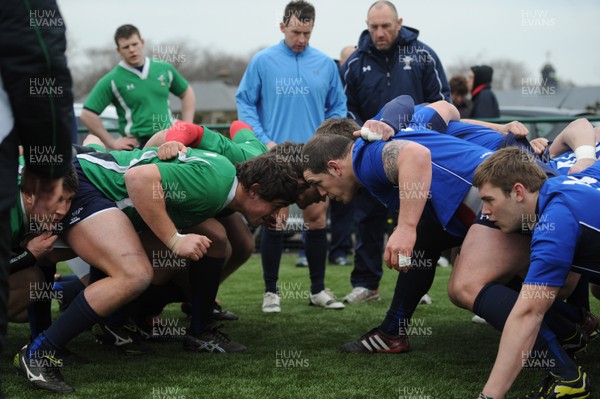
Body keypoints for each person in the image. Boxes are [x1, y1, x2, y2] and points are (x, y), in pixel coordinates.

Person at [236, 0, 347, 313]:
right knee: (276, 220)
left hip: (314, 156)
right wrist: (264, 141)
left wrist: (325, 141)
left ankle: (317, 290)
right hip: (276, 156)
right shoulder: (262, 61)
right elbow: (245, 103)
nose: (302, 39)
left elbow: (339, 108)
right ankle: (271, 293)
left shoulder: (326, 64)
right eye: (296, 31)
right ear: (283, 26)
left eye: (307, 33)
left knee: (316, 218)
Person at [339, 0, 451, 305]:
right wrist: (365, 137)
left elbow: (440, 101)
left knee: (421, 221)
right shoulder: (354, 62)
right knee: (368, 219)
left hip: (417, 155)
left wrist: (419, 138)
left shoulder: (423, 55)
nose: (379, 32)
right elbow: (345, 109)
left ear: (399, 23)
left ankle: (417, 286)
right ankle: (366, 284)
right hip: (372, 155)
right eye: (373, 26)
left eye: (386, 26)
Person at [473, 147, 599, 399]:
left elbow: (528, 315)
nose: (485, 211)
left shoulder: (555, 222)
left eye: (489, 200)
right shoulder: (562, 186)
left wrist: (489, 396)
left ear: (518, 191)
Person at [1, 1, 75, 396]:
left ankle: (42, 336)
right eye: (56, 198)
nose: (58, 210)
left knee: (37, 275)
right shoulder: (15, 205)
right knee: (31, 270)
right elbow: (38, 54)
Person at [80, 24, 195, 150]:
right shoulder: (112, 79)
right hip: (137, 147)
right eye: (126, 47)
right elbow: (87, 114)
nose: (131, 50)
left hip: (168, 139)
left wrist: (186, 127)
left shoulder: (164, 69)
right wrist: (112, 142)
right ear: (118, 50)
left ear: (142, 42)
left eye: (134, 44)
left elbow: (187, 93)